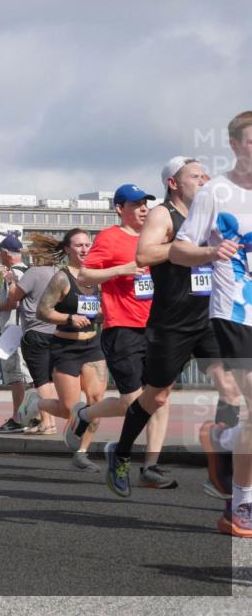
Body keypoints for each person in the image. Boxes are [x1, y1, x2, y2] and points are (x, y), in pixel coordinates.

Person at [104, 158, 226, 496]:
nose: (205, 178)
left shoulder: (210, 214)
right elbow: (143, 255)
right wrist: (188, 249)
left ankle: (224, 468)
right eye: (195, 175)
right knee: (156, 395)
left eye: (206, 174)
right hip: (172, 323)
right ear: (173, 182)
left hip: (209, 318)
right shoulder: (163, 214)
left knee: (231, 385)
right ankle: (122, 453)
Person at [171, 110, 252, 537]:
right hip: (236, 312)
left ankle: (223, 440)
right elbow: (178, 251)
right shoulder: (215, 193)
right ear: (236, 146)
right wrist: (208, 254)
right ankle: (241, 506)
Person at [69, 184, 174, 486]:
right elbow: (85, 275)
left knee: (161, 398)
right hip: (123, 328)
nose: (143, 208)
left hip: (157, 328)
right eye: (136, 204)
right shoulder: (109, 238)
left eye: (145, 203)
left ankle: (150, 468)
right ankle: (86, 415)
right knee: (133, 403)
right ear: (119, 209)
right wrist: (123, 269)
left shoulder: (157, 238)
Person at [19, 230, 107, 472]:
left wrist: (102, 316)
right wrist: (69, 317)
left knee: (95, 401)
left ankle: (81, 453)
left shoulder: (98, 277)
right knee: (70, 409)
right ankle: (36, 401)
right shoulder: (62, 278)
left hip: (92, 345)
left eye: (87, 244)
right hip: (65, 347)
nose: (84, 249)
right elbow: (43, 312)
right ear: (68, 249)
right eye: (78, 245)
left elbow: (98, 312)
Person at [7, 249, 59, 435]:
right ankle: (51, 422)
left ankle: (46, 422)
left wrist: (11, 280)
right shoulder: (58, 272)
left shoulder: (34, 272)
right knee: (50, 380)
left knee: (41, 380)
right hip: (55, 330)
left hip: (35, 331)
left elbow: (15, 295)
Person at [0, 233, 33, 433]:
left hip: (14, 332)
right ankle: (33, 417)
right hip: (28, 330)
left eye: (0, 252)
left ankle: (18, 419)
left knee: (16, 377)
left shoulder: (12, 274)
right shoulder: (29, 272)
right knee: (28, 378)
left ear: (5, 253)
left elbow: (13, 302)